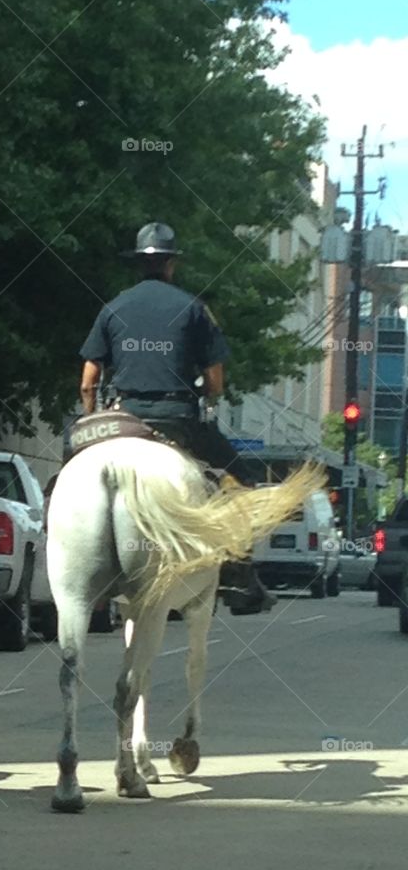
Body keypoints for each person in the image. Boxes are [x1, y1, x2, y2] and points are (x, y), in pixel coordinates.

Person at [78, 221, 275, 611]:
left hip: (123, 418)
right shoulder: (195, 309)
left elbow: (88, 382)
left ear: (139, 265)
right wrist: (202, 393)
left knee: (69, 475)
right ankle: (238, 581)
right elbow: (216, 381)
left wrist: (93, 419)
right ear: (172, 265)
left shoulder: (112, 308)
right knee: (242, 481)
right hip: (178, 417)